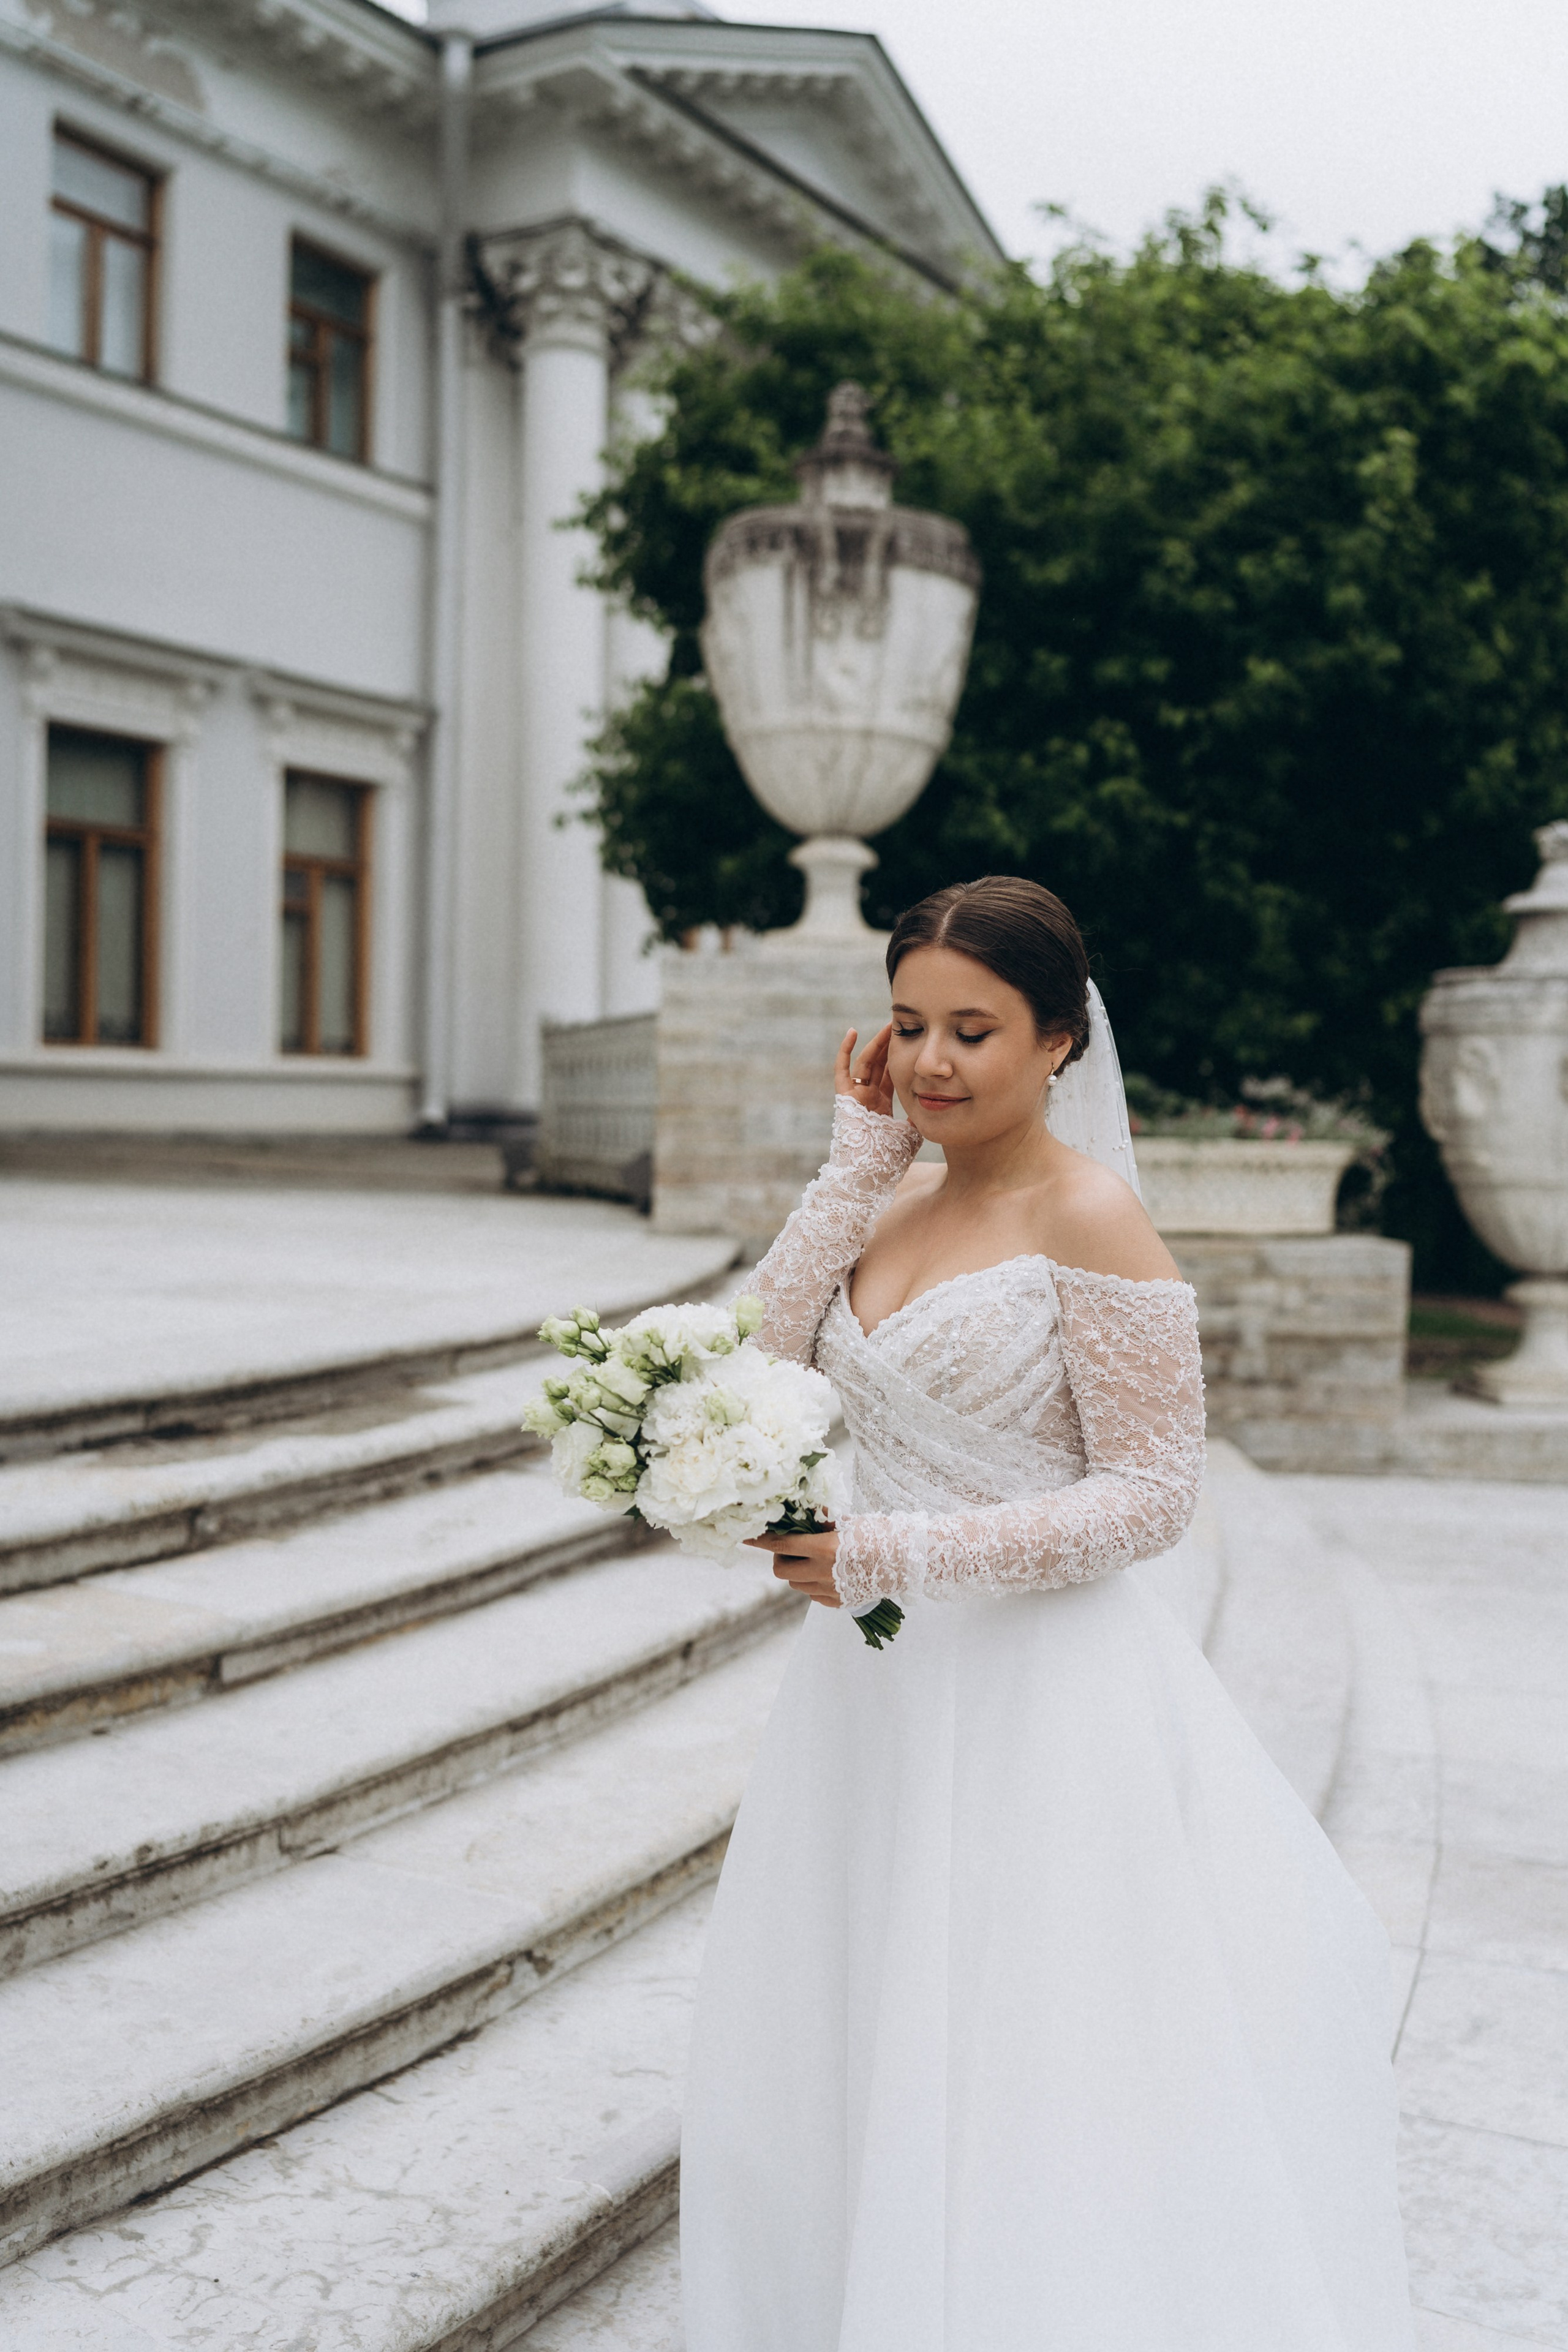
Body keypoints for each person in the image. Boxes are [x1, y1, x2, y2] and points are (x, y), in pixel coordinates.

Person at [679, 875, 1415, 2351]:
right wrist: (847, 1159)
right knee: (855, 2029)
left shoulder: (1091, 1215)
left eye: (972, 1029)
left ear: (1060, 1042)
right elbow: (755, 1366)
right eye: (906, 1026)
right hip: (869, 1695)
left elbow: (1151, 1495)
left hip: (1034, 1701)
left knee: (1022, 2069)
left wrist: (892, 1551)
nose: (933, 1062)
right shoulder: (882, 1190)